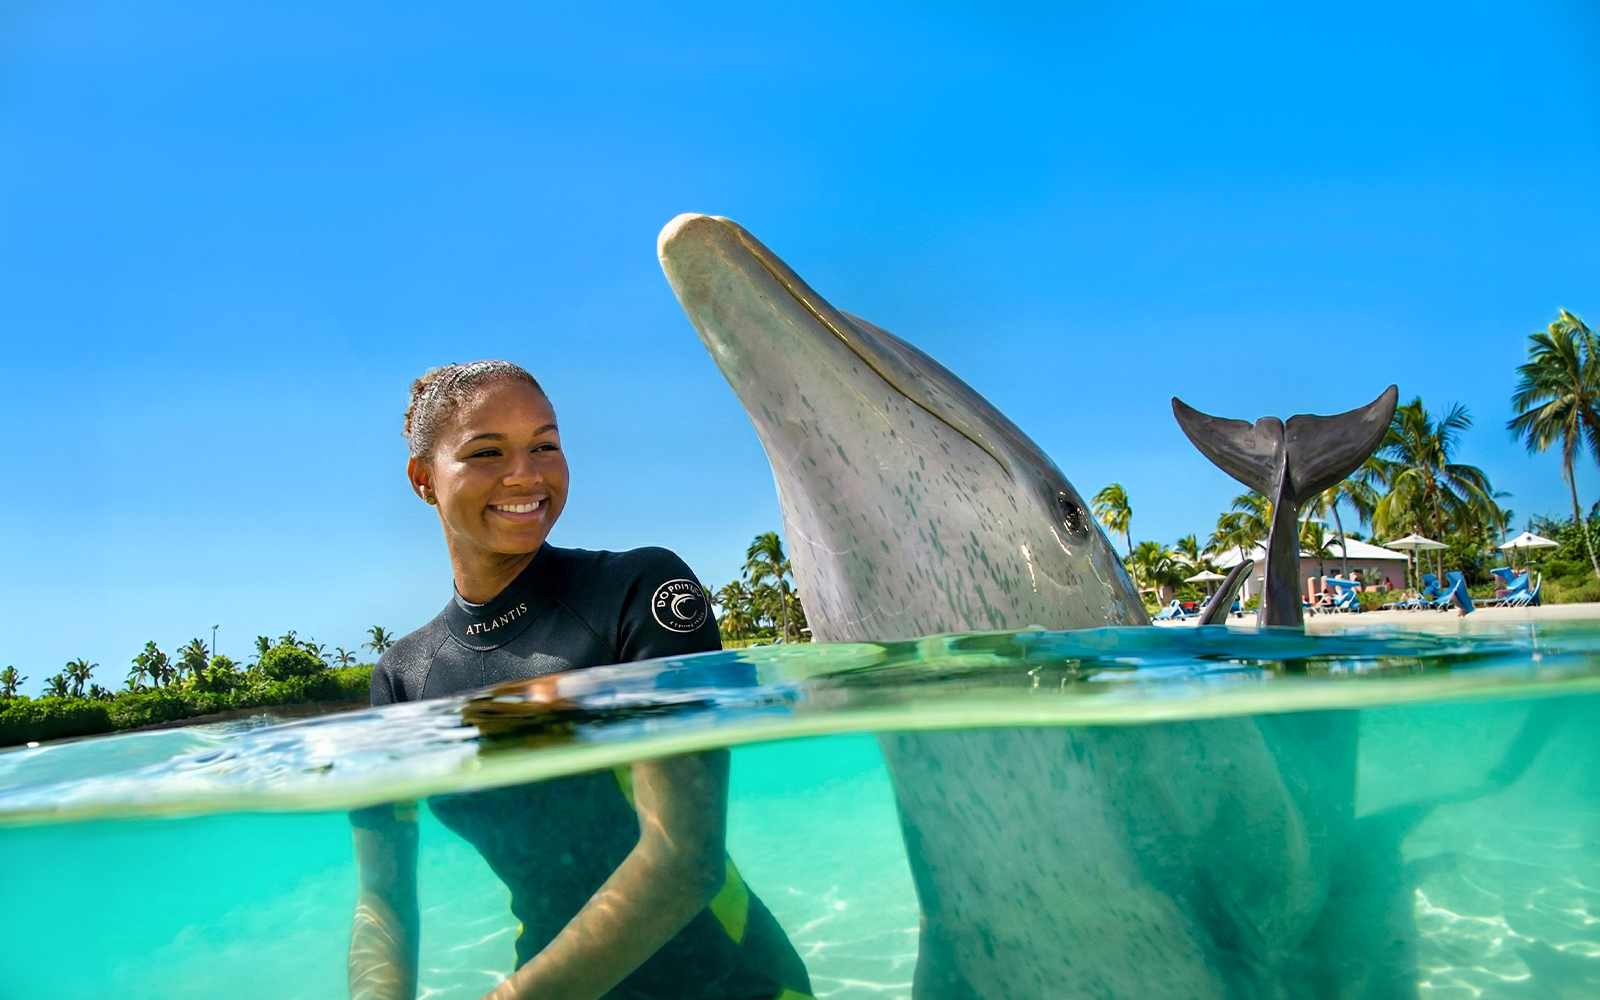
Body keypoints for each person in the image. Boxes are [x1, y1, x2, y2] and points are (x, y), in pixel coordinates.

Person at [348, 361, 812, 1000]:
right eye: (488, 452)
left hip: (731, 982)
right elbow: (384, 904)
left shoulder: (637, 593)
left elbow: (684, 862)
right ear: (424, 479)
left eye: (545, 445)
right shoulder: (403, 678)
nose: (527, 475)